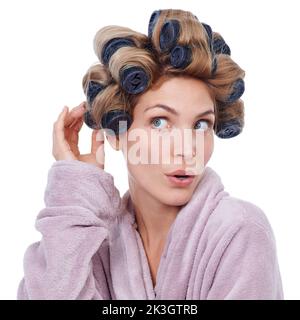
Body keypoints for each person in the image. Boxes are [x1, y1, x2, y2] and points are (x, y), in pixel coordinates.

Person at [17, 8, 284, 299]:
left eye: (200, 124)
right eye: (159, 122)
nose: (186, 149)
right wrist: (75, 192)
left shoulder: (240, 232)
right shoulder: (92, 239)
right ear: (116, 133)